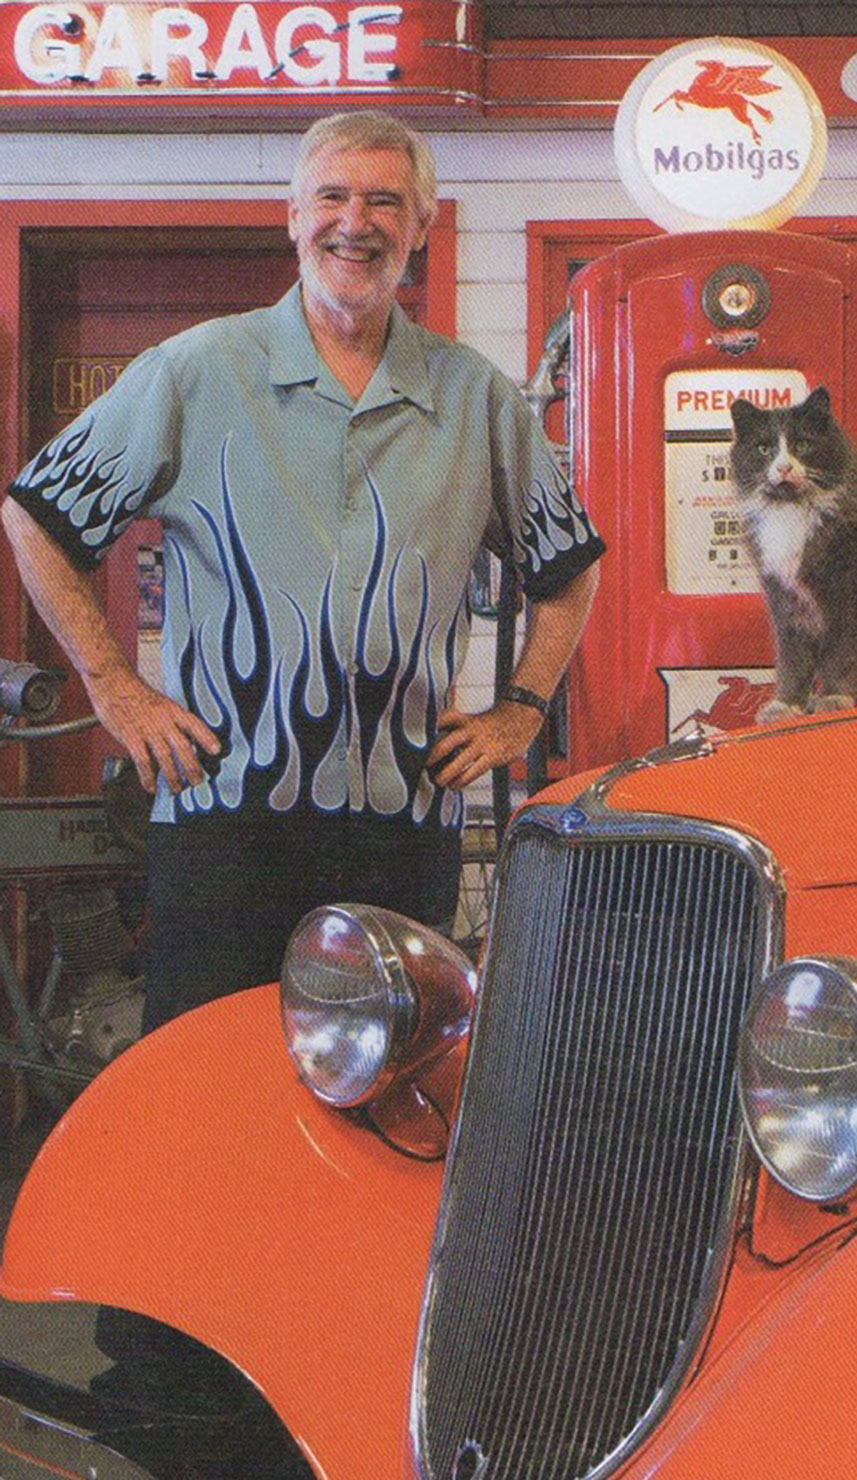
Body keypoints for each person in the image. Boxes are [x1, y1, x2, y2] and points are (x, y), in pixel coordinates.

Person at [2, 112, 603, 1032]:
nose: (353, 222)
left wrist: (521, 706)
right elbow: (37, 516)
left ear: (420, 227)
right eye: (332, 196)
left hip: (406, 826)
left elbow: (567, 568)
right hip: (223, 820)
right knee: (210, 1096)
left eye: (383, 202)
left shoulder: (475, 397)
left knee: (391, 1099)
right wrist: (114, 686)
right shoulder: (198, 370)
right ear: (293, 215)